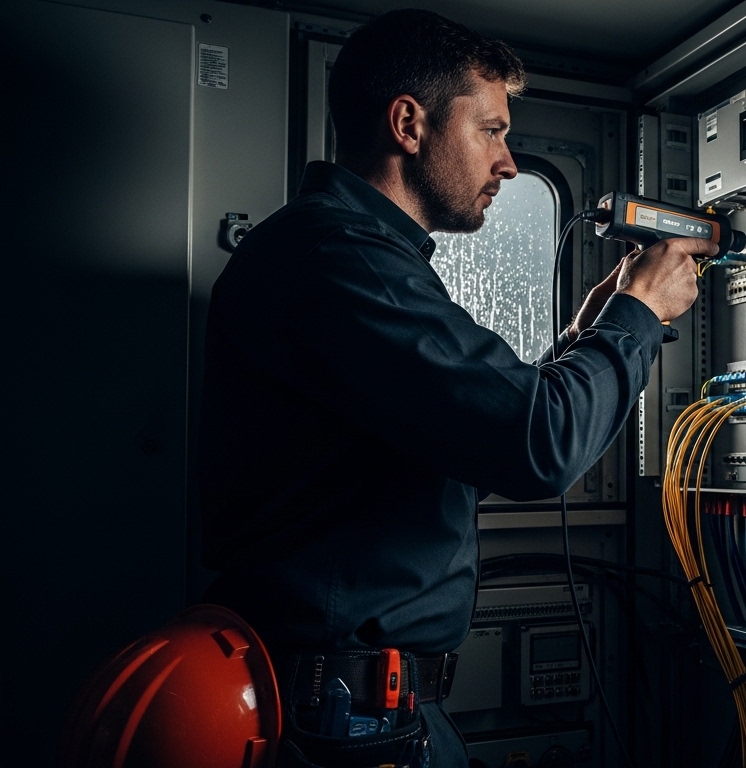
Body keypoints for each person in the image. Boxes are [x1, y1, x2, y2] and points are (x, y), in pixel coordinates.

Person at [196, 9, 716, 767]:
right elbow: (537, 444)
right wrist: (638, 313)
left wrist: (588, 334)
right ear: (409, 123)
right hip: (344, 719)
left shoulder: (354, 256)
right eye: (491, 130)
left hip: (367, 707)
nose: (508, 163)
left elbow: (473, 439)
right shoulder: (343, 260)